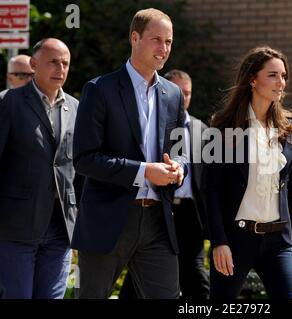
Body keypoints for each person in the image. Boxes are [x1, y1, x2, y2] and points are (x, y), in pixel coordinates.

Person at [71, 8, 188, 299]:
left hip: (158, 220)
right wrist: (144, 171)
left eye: (169, 42)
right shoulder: (99, 89)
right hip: (108, 220)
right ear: (134, 38)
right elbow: (85, 158)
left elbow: (180, 150)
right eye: (156, 40)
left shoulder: (173, 94)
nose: (164, 49)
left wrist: (180, 167)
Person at [206, 46, 292, 299]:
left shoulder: (291, 126)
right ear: (253, 79)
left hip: (278, 242)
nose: (281, 82)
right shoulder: (224, 127)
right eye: (273, 75)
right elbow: (211, 190)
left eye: (284, 76)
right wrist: (219, 242)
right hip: (236, 240)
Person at [120, 70, 210, 299]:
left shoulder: (203, 130)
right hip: (160, 207)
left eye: (187, 93)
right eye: (179, 92)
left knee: (195, 275)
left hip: (191, 214)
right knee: (141, 273)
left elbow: (209, 179)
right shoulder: (153, 125)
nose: (183, 98)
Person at [0, 38, 79, 299]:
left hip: (60, 228)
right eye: (53, 62)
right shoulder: (10, 103)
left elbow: (78, 167)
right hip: (16, 228)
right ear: (34, 64)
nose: (60, 69)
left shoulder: (76, 108)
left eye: (65, 63)